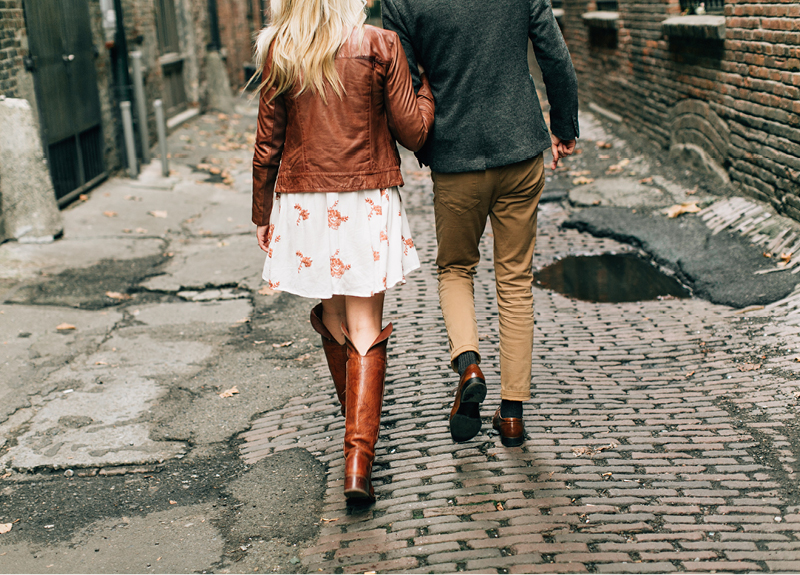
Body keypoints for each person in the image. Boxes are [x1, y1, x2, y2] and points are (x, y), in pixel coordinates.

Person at [251, 0, 434, 502]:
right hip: (366, 198)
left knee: (334, 319)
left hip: (304, 202)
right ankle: (359, 461)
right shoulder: (380, 44)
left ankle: (355, 434)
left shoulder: (279, 51)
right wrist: (427, 93)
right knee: (364, 325)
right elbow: (413, 131)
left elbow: (268, 143)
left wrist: (261, 213)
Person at [382, 0, 579, 447]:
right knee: (514, 278)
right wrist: (564, 125)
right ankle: (512, 414)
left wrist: (423, 144)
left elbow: (402, 90)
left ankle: (469, 364)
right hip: (520, 150)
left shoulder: (402, 3)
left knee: (455, 269)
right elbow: (554, 55)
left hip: (455, 160)